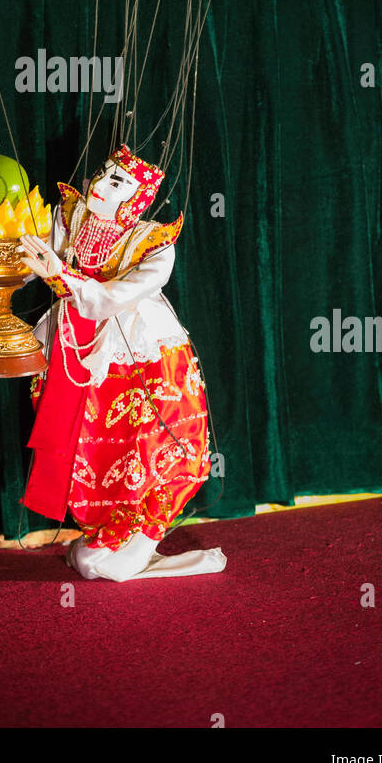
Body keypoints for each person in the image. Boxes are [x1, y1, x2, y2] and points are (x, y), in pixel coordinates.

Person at [17, 145, 227, 581]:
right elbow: (29, 261)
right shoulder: (68, 219)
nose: (99, 185)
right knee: (84, 446)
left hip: (142, 357)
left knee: (151, 444)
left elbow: (113, 298)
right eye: (102, 173)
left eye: (117, 181)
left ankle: (135, 534)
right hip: (73, 350)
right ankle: (99, 530)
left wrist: (59, 275)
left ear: (138, 197)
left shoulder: (154, 244)